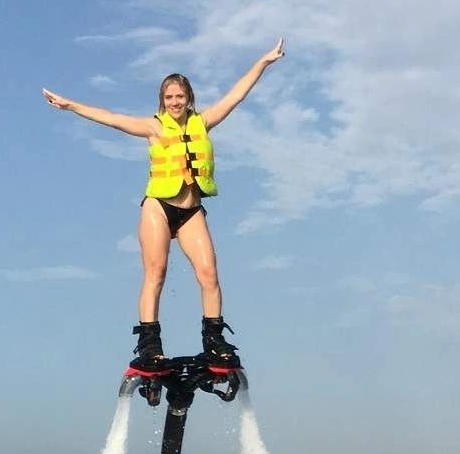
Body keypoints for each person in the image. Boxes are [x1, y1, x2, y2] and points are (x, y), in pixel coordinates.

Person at [43, 39, 284, 372]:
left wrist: (264, 61)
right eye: (169, 97)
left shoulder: (204, 121)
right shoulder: (153, 127)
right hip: (159, 207)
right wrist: (71, 106)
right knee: (156, 274)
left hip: (190, 211)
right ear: (162, 100)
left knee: (209, 273)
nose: (175, 102)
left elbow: (236, 95)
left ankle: (214, 342)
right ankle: (149, 346)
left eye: (180, 97)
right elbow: (112, 118)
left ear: (189, 99)